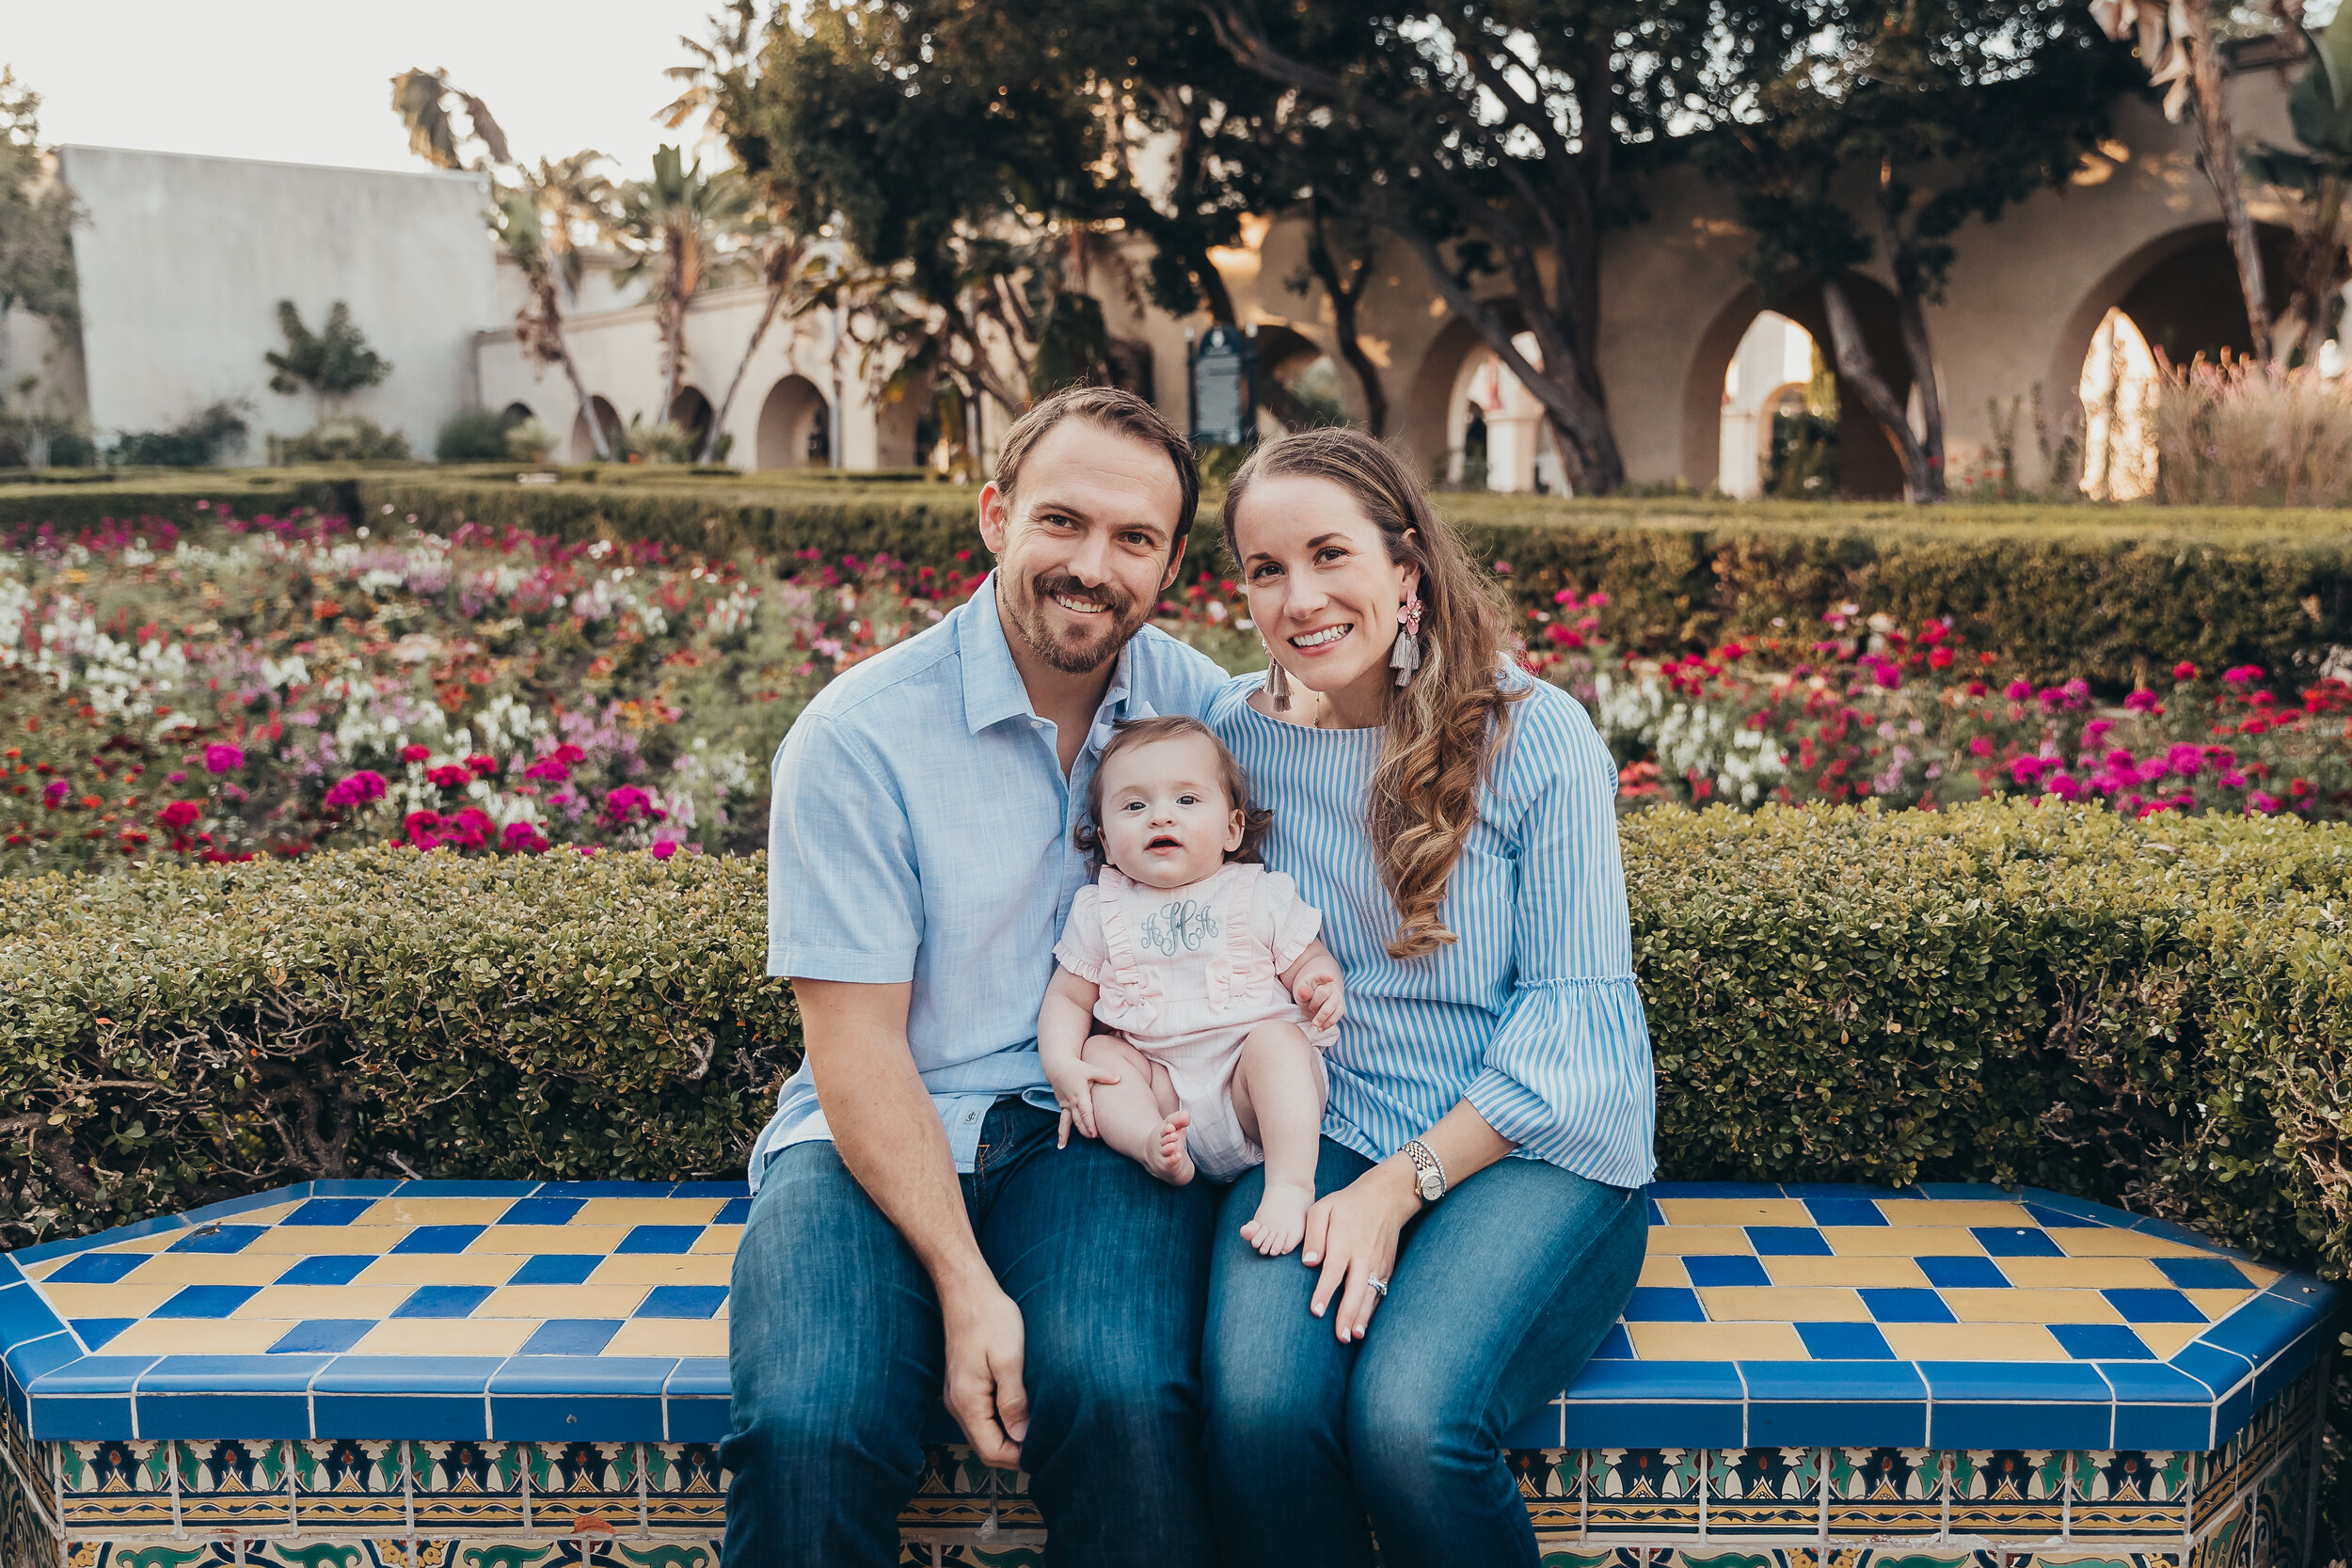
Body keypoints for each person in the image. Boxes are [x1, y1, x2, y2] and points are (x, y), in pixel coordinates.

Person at [723, 386, 1229, 1568]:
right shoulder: (858, 736)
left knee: (1124, 1400)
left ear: (1169, 561)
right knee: (810, 1426)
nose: (1091, 564)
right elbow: (854, 1047)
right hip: (878, 1127)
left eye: (1132, 538)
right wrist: (965, 1283)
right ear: (995, 514)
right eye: (1062, 520)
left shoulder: (1201, 713)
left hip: (1091, 1131)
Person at [1204, 427, 1658, 1568]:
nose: (1298, 597)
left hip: (1532, 1151)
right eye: (1265, 569)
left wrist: (1397, 1189)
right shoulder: (1230, 744)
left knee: (1412, 1425)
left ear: (1406, 572)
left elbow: (1578, 1030)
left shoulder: (1530, 735)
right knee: (1258, 1413)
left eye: (1328, 554)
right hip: (1322, 1135)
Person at [1041, 714, 1344, 1256]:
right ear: (1108, 842)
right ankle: (1148, 1147)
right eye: (1135, 806)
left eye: (1186, 800)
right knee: (1101, 1053)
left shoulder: (1259, 895)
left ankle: (1290, 1184)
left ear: (1232, 829)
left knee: (1278, 1044)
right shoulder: (1100, 909)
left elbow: (1309, 959)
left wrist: (1319, 983)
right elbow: (1069, 996)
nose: (1160, 815)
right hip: (1162, 1092)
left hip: (1248, 1090)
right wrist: (1062, 1062)